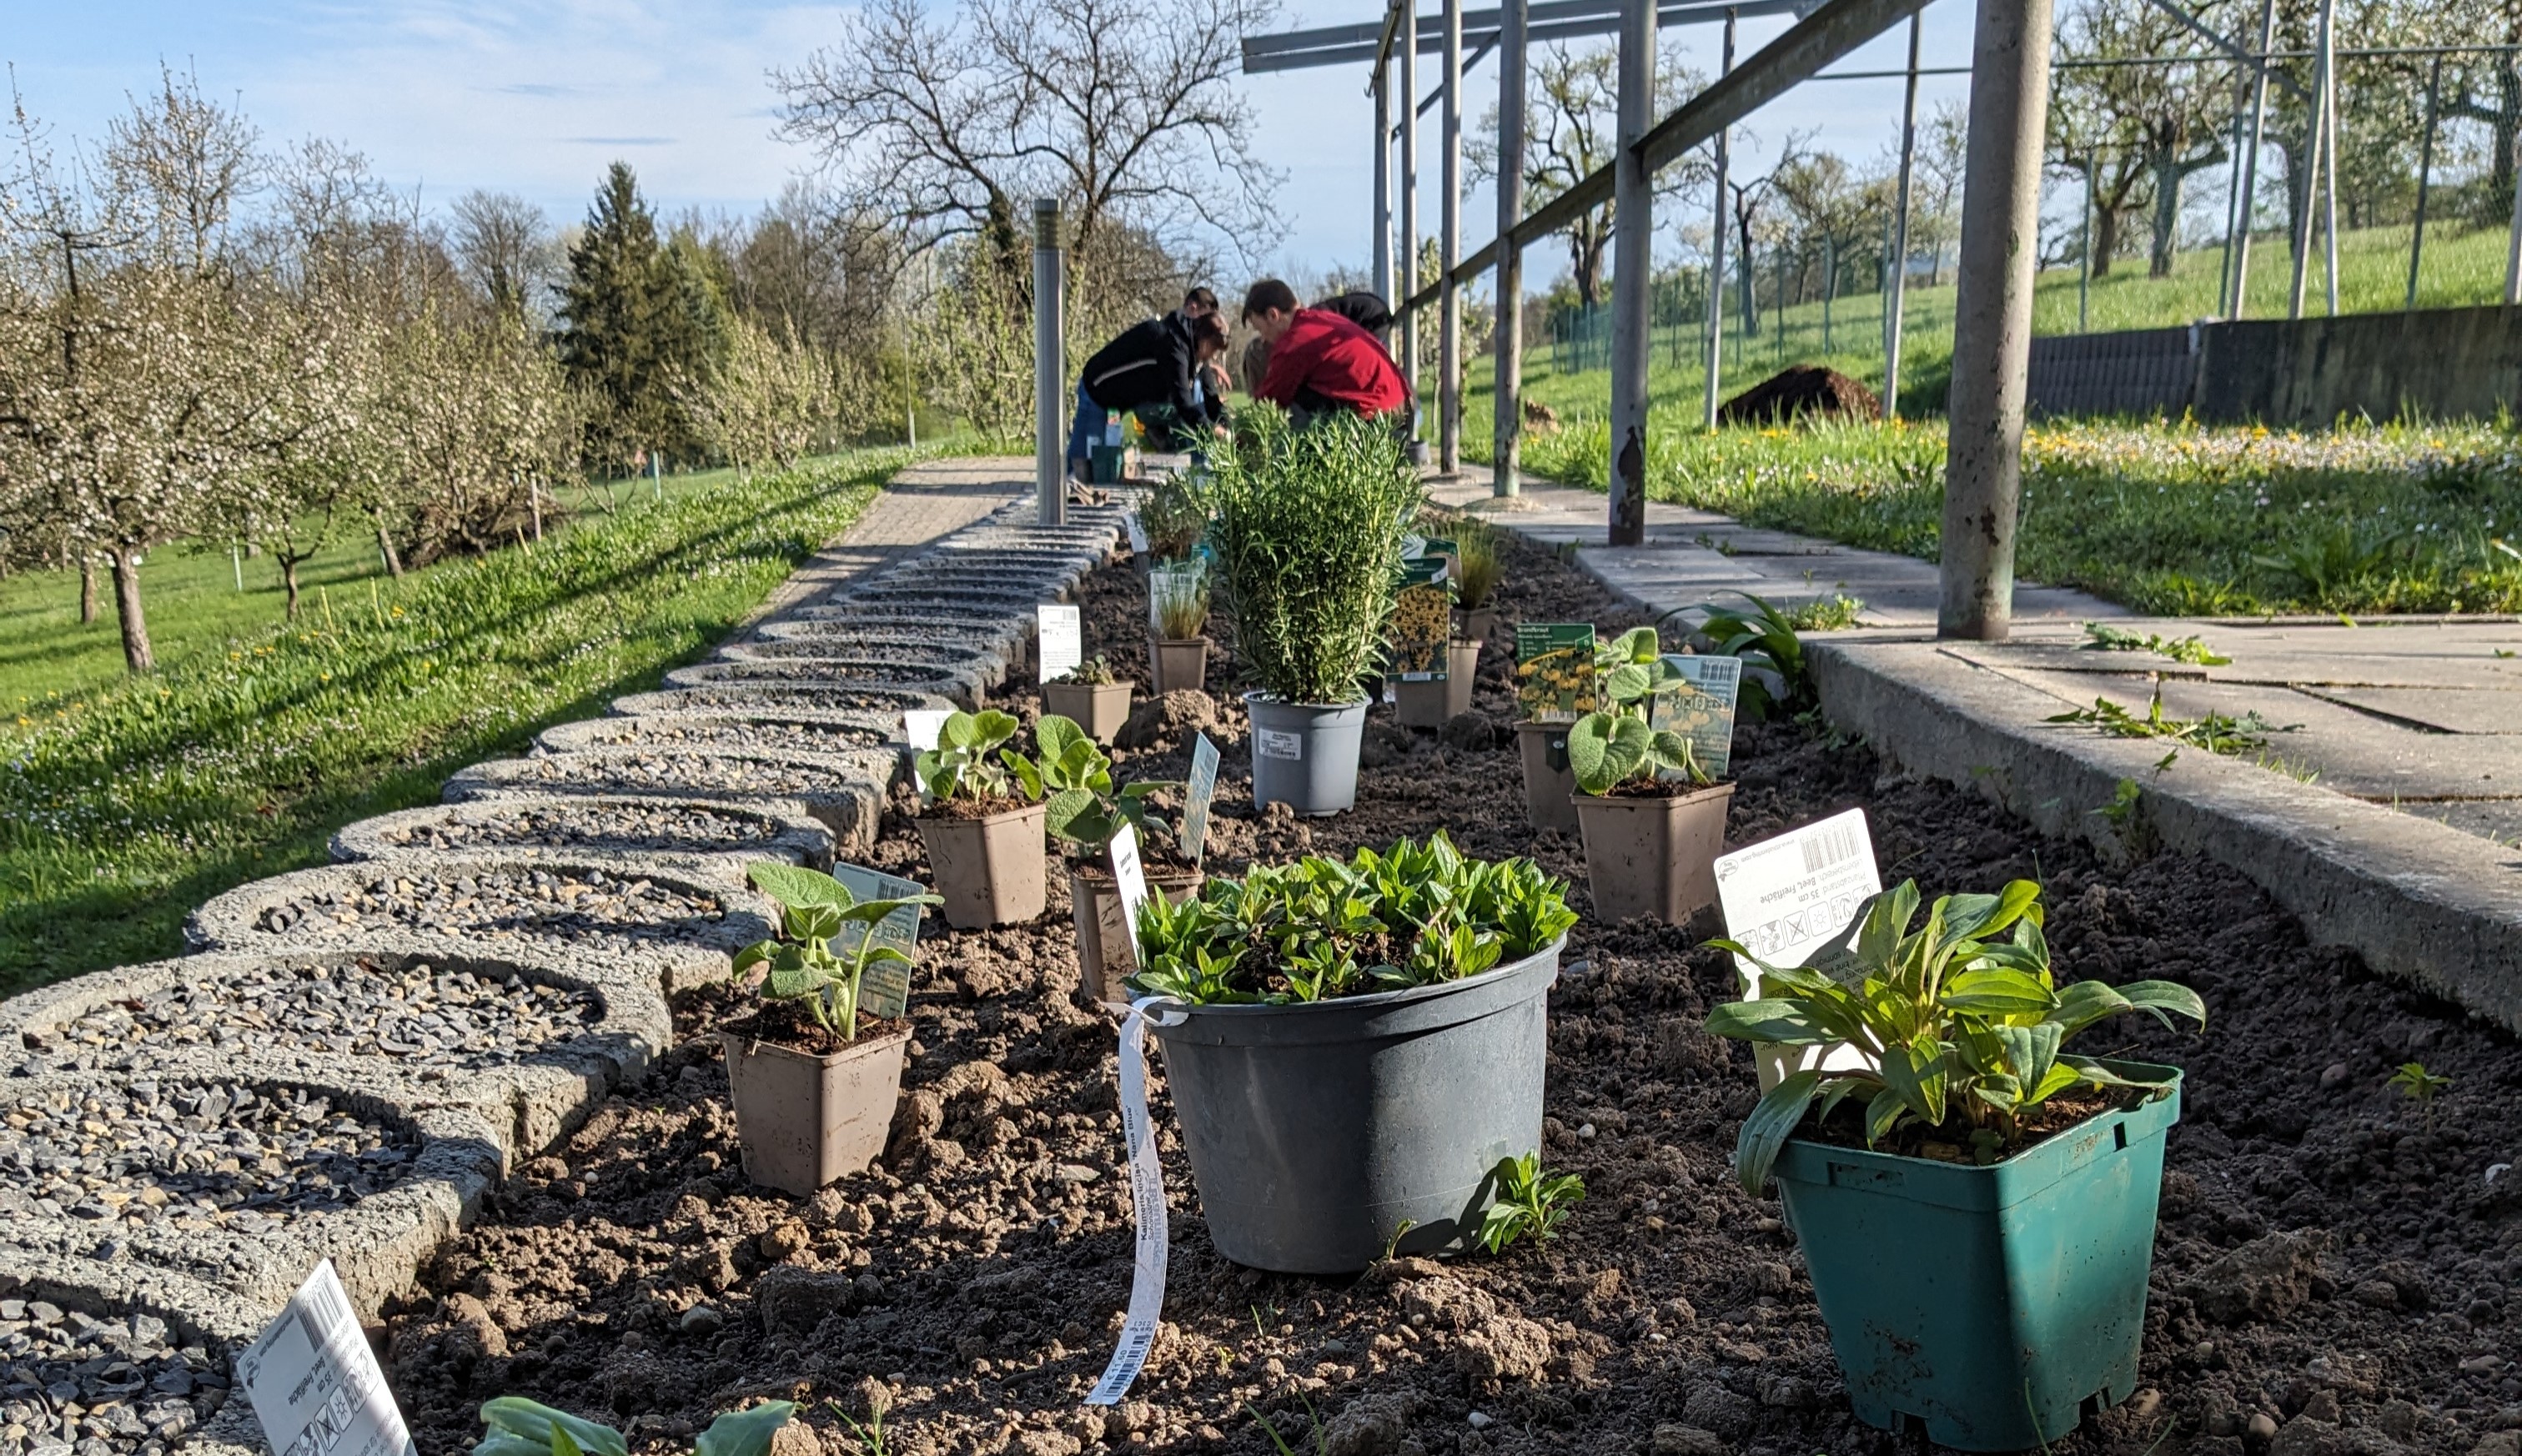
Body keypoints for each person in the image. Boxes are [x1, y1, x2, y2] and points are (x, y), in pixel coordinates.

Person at [1068, 308, 1231, 478]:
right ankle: (1053, 495)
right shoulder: (1172, 345)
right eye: (1215, 350)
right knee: (1080, 465)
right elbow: (1184, 404)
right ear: (1204, 341)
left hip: (1124, 400)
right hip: (1099, 391)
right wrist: (1214, 430)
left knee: (1102, 468)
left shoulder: (1196, 354)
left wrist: (1228, 428)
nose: (1215, 356)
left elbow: (1211, 398)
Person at [1240, 279, 1409, 424]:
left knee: (1295, 409)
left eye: (1260, 329)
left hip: (1380, 415)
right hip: (1401, 403)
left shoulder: (1294, 343)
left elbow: (1268, 403)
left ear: (1272, 315)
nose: (1263, 338)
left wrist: (1237, 443)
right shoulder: (1318, 319)